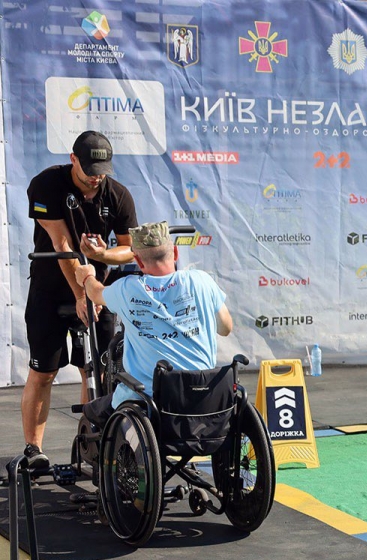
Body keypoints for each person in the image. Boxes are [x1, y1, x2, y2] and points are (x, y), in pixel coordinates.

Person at [23, 130, 138, 470]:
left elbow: (129, 248)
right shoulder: (46, 184)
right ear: (73, 159)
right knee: (44, 372)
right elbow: (62, 246)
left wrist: (104, 254)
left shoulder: (117, 195)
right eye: (89, 168)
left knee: (98, 370)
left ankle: (91, 444)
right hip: (52, 289)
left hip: (96, 291)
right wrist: (81, 295)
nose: (95, 176)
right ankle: (34, 450)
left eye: (101, 169)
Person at [74, 221, 232, 428]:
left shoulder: (128, 289)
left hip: (149, 403)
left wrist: (86, 277)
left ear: (138, 261)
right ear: (175, 253)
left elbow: (95, 292)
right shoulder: (201, 281)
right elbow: (225, 328)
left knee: (93, 409)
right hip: (204, 396)